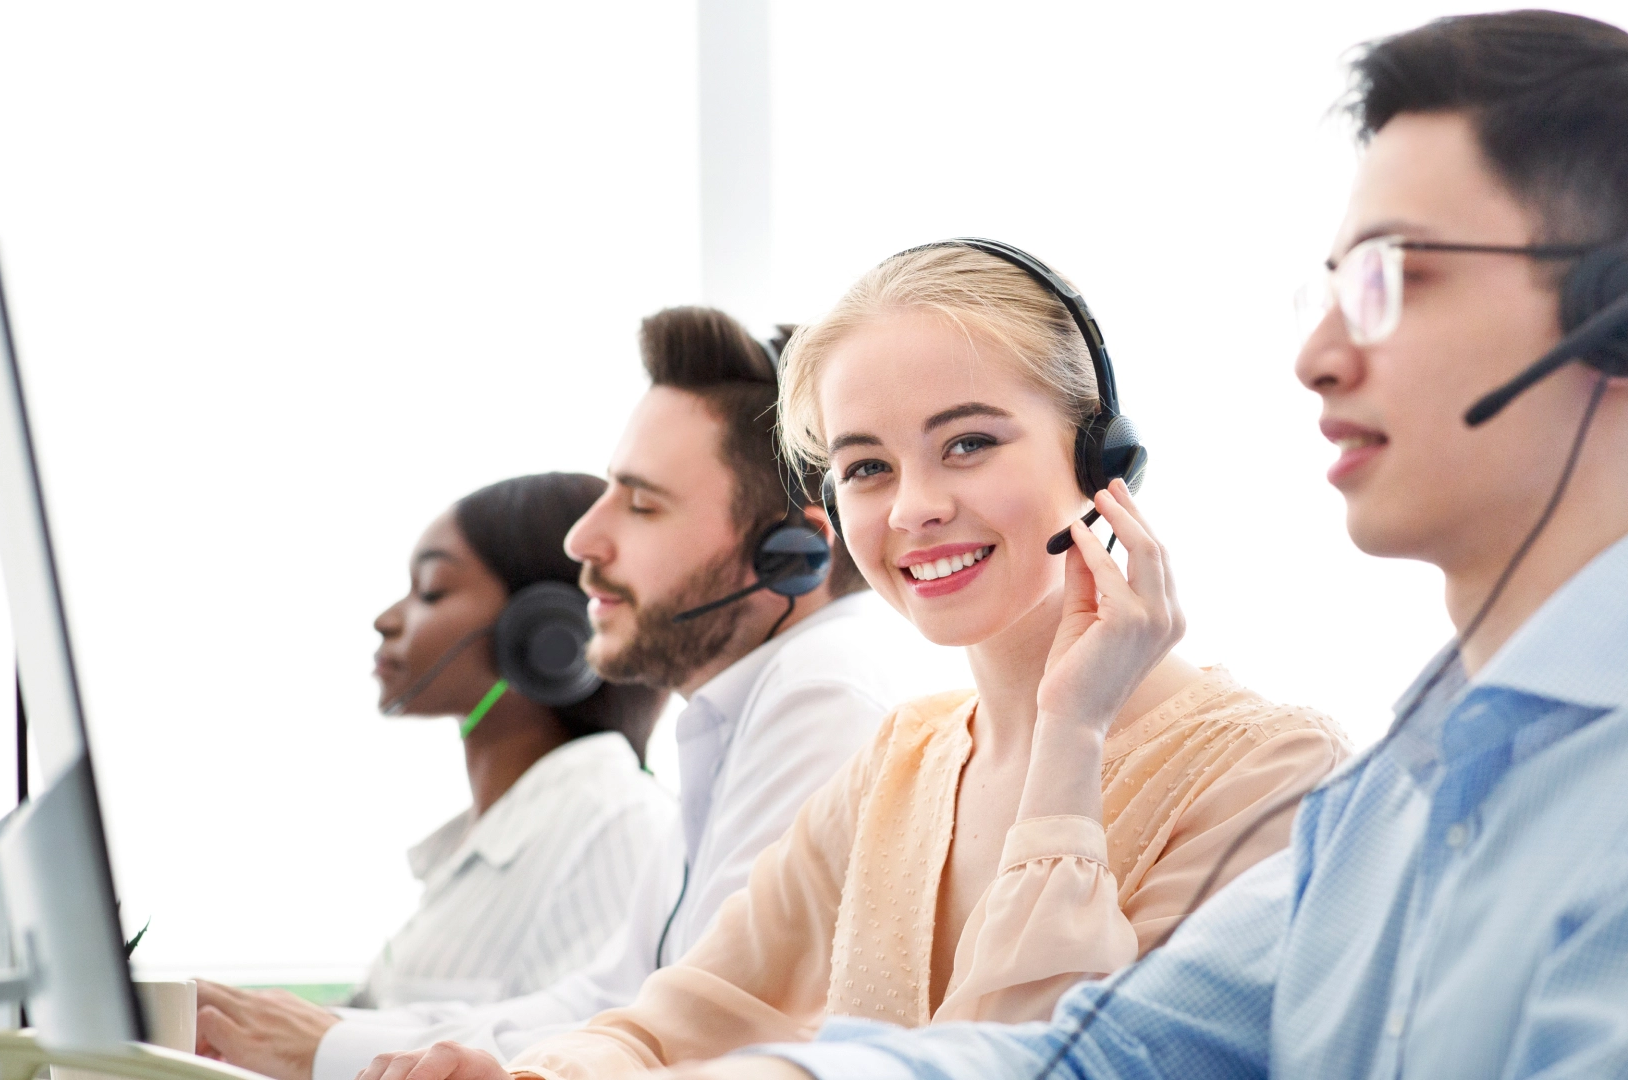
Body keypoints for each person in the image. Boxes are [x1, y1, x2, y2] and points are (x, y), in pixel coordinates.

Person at [667, 12, 1628, 1080]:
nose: (1315, 357)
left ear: (1627, 320)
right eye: (1332, 287)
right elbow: (1095, 1056)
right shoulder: (1382, 805)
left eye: (1394, 277)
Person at [351, 242, 1350, 1080]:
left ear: (1103, 459)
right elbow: (672, 1020)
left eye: (968, 444)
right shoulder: (901, 762)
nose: (912, 507)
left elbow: (1035, 1061)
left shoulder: (1273, 777)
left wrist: (1071, 733)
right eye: (867, 466)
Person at [196, 308, 946, 1080]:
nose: (582, 539)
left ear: (790, 557)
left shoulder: (825, 689)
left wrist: (324, 1049)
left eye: (642, 505)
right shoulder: (743, 712)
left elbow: (721, 1032)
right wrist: (317, 1034)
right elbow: (614, 1000)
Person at [200, 473, 677, 1028]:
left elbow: (598, 1047)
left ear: (550, 636)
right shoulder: (479, 843)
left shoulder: (615, 823)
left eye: (431, 590)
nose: (386, 620)